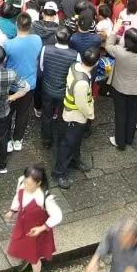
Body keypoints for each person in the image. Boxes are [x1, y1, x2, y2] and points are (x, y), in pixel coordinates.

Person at [4, 165, 62, 272]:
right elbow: (17, 197)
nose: (26, 186)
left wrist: (42, 228)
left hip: (36, 231)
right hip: (23, 225)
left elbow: (57, 216)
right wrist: (12, 210)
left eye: (29, 184)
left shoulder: (45, 198)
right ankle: (25, 258)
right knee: (20, 244)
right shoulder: (22, 183)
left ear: (38, 183)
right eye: (25, 182)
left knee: (34, 257)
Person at [53, 46, 98, 189]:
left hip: (71, 113)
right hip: (75, 116)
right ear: (95, 63)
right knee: (67, 144)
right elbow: (81, 104)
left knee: (75, 141)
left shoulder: (75, 66)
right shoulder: (82, 82)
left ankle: (74, 160)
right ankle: (59, 172)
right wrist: (90, 113)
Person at [105, 30, 137, 150]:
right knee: (132, 113)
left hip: (119, 86)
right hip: (136, 88)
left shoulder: (119, 51)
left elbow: (108, 45)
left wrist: (114, 31)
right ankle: (129, 139)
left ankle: (120, 141)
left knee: (120, 114)